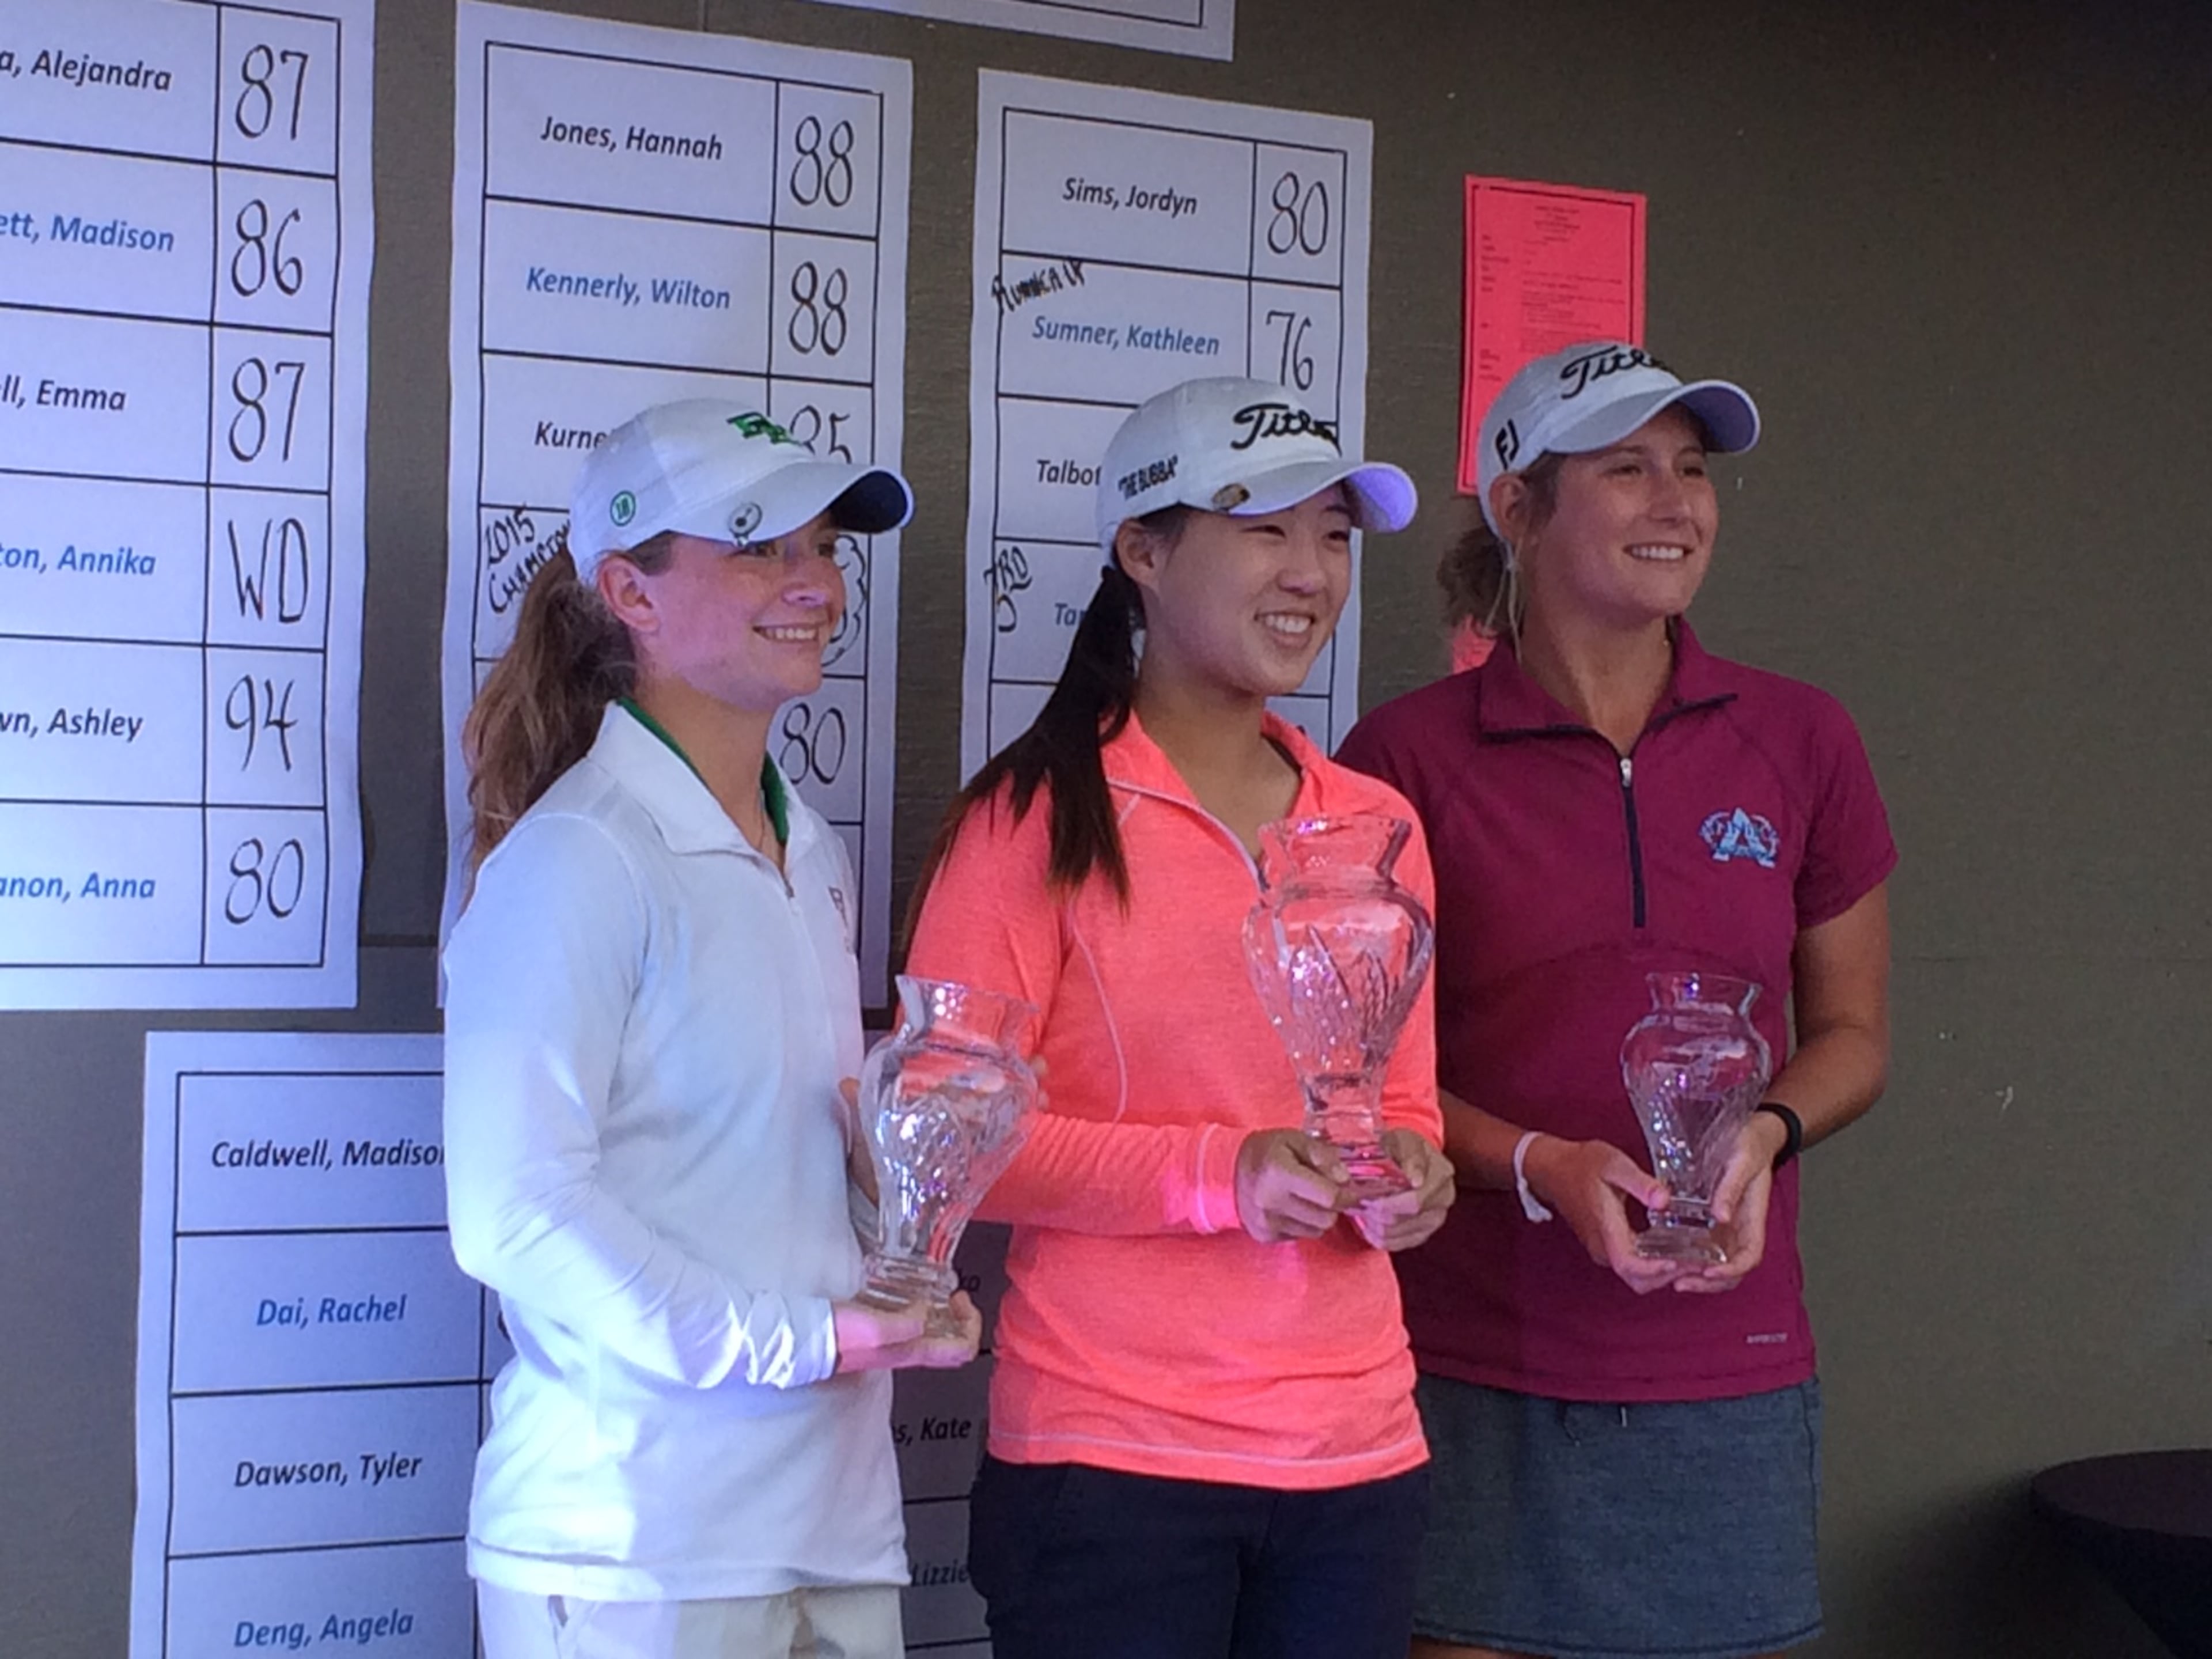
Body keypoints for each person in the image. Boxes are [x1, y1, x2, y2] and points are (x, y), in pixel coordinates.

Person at [1336, 342, 1895, 1659]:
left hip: (1730, 1360)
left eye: (1693, 471)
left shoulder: (1803, 738)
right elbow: (1365, 1080)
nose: (1676, 504)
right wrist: (1538, 1166)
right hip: (1474, 1361)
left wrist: (1760, 1134)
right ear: (1518, 508)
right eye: (1628, 469)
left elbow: (1857, 1036)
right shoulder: (1400, 759)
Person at [903, 376, 1456, 1659]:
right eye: (1264, 527)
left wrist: (1410, 1178)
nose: (1310, 572)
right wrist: (1225, 1174)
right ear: (1143, 552)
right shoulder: (1030, 819)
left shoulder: (1379, 826)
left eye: (1333, 534)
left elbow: (1404, 1108)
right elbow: (949, 1145)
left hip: (1358, 1456)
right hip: (1112, 1460)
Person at [442, 400, 981, 1659]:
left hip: (830, 1530)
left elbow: (775, 1177)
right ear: (630, 590)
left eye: (825, 550)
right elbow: (513, 1212)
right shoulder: (576, 857)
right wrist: (804, 1338)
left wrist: (901, 1262)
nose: (813, 585)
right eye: (759, 548)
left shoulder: (814, 852)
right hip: (632, 1549)